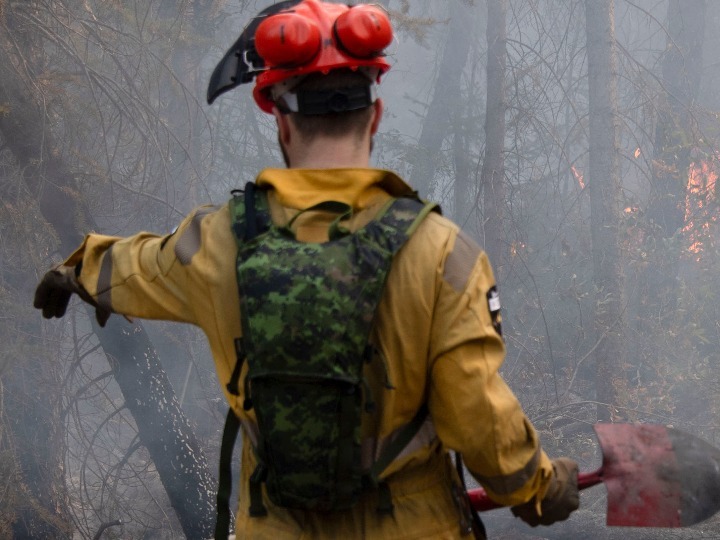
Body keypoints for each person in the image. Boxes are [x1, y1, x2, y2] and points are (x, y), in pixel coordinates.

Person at [33, 1, 579, 538]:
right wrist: (540, 489)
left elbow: (135, 267)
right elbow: (476, 416)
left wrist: (78, 268)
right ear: (376, 115)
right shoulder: (440, 253)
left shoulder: (220, 241)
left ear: (282, 124)